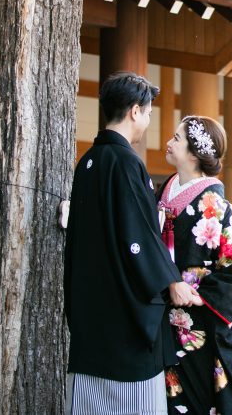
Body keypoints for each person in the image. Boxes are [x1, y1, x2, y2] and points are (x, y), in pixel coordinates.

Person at [64, 72, 202, 415]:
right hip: (124, 319)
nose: (149, 121)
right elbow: (137, 234)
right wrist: (170, 280)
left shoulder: (88, 163)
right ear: (135, 112)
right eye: (150, 113)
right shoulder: (125, 162)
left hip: (90, 311)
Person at [158, 115, 232, 414]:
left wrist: (198, 294)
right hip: (161, 312)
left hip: (199, 319)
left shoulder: (219, 207)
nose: (168, 141)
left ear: (194, 153)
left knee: (200, 399)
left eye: (176, 138)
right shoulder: (162, 194)